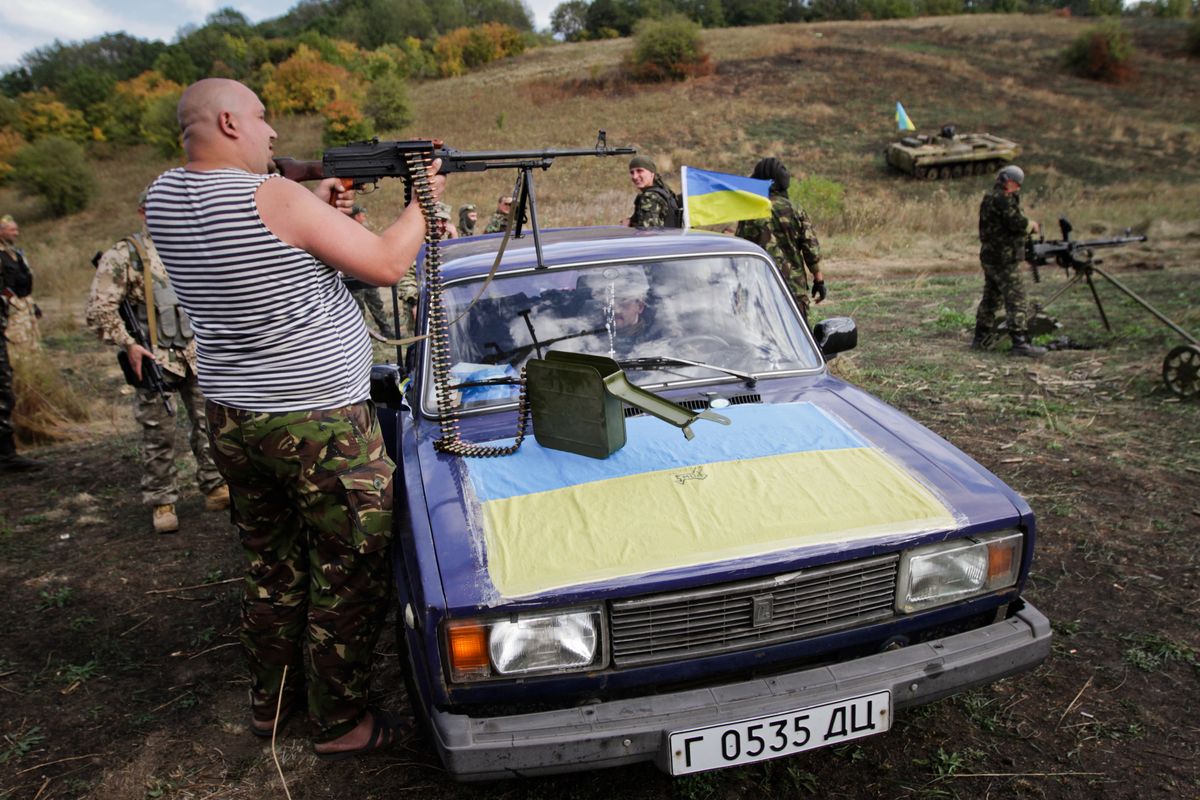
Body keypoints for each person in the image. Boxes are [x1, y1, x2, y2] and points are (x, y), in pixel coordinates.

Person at [142, 78, 444, 759]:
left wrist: (319, 200)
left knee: (271, 566)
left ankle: (271, 708)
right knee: (348, 566)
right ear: (227, 121)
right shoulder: (272, 197)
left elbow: (270, 234)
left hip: (233, 415)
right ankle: (340, 723)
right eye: (260, 117)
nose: (274, 132)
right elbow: (390, 263)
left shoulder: (164, 195)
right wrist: (427, 194)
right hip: (318, 422)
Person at [86, 193, 230, 533]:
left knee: (210, 424)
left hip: (196, 353)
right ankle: (162, 499)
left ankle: (214, 486)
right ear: (142, 212)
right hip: (155, 357)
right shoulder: (126, 254)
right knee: (159, 433)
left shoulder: (191, 248)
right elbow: (99, 308)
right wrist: (129, 345)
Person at [735, 158, 826, 321]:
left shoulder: (748, 211)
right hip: (793, 290)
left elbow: (740, 248)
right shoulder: (794, 209)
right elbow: (811, 249)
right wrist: (819, 281)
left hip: (759, 288)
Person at [975, 165, 1045, 358]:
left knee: (991, 297)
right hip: (1003, 258)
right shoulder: (1003, 199)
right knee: (1017, 299)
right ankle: (1020, 343)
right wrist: (1031, 226)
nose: (1018, 189)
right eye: (1017, 185)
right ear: (1010, 182)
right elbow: (1016, 222)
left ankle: (980, 338)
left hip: (991, 256)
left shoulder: (990, 198)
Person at [0, 215, 44, 473]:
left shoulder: (15, 253)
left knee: (7, 385)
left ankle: (7, 452)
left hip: (14, 313)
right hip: (9, 319)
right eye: (9, 226)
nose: (15, 230)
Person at [344, 205, 395, 339]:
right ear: (356, 216)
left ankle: (386, 331)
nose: (364, 216)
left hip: (368, 275)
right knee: (358, 308)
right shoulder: (345, 231)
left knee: (376, 304)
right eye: (362, 214)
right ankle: (359, 335)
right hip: (353, 277)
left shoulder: (363, 231)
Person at [624, 155, 681, 229]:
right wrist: (631, 221)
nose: (635, 176)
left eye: (639, 171)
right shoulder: (664, 191)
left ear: (652, 173)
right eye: (632, 172)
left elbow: (647, 232)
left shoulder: (650, 196)